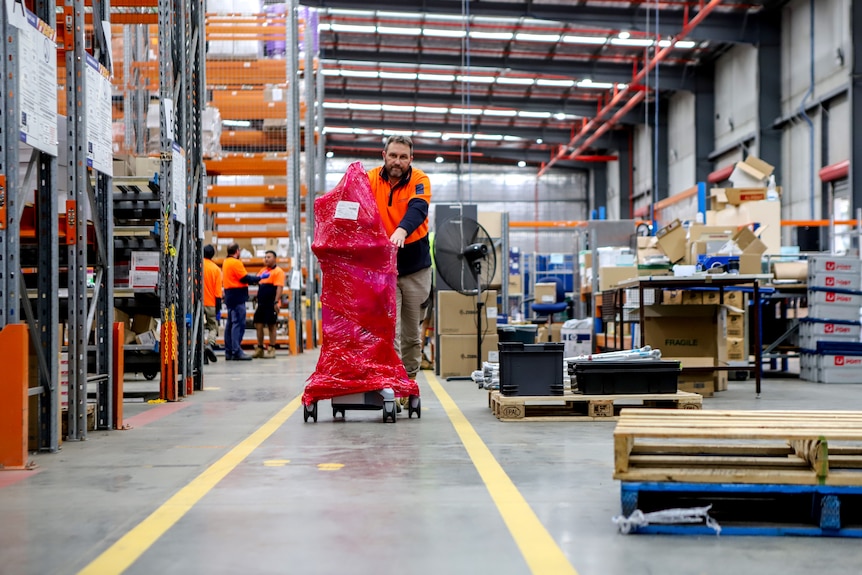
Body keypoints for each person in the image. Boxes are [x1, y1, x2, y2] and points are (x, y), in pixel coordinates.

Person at [368, 135, 432, 388]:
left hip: (415, 266)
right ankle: (392, 382)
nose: (397, 161)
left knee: (411, 334)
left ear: (411, 160)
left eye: (403, 157)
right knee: (389, 330)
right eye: (393, 155)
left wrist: (402, 230)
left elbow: (418, 208)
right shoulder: (370, 178)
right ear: (384, 155)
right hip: (384, 268)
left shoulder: (419, 179)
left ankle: (409, 379)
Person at [222, 243, 269, 361]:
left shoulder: (226, 262)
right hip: (238, 297)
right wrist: (259, 278)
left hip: (230, 296)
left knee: (230, 324)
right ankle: (237, 351)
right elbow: (244, 278)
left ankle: (229, 351)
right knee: (238, 323)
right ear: (237, 251)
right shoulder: (236, 263)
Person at [253, 250, 286, 359]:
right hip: (261, 304)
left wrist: (276, 301)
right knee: (258, 324)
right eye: (265, 257)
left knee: (272, 325)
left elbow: (279, 288)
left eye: (269, 257)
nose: (266, 259)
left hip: (271, 303)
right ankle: (260, 348)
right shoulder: (262, 271)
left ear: (274, 259)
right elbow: (258, 283)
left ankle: (272, 348)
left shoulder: (278, 271)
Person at [202, 244, 222, 364]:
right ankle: (210, 344)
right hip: (211, 303)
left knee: (197, 328)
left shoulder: (195, 265)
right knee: (213, 327)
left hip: (196, 302)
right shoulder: (216, 269)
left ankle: (201, 351)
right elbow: (218, 293)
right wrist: (218, 309)